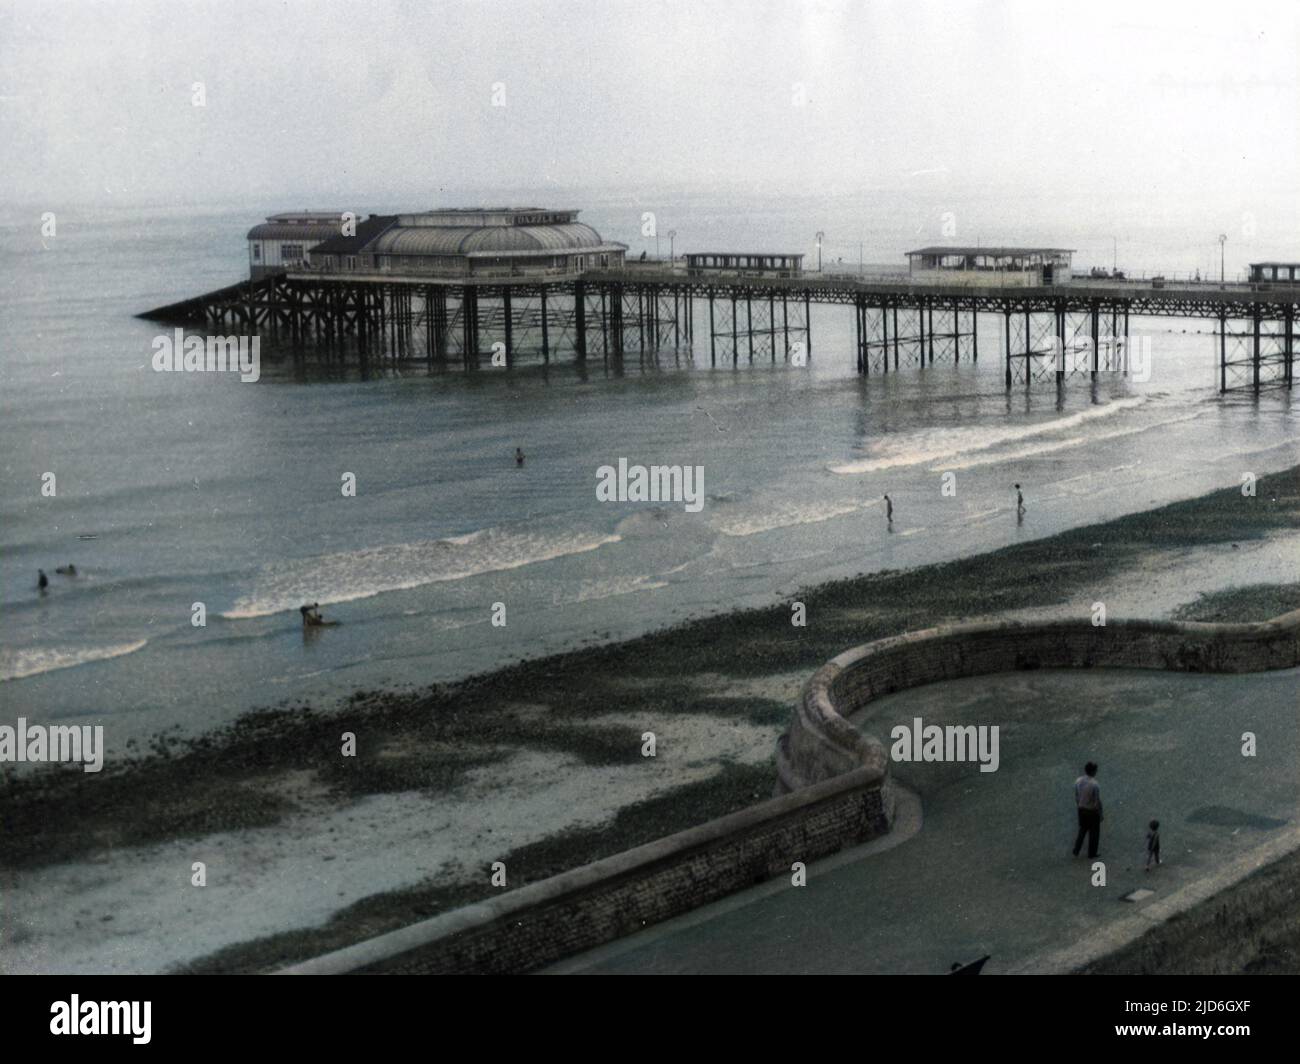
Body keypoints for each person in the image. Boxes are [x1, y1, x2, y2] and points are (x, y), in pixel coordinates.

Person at [1072, 761, 1103, 859]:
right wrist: (1100, 813)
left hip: (1081, 809)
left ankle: (1076, 849)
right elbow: (1096, 801)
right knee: (1094, 832)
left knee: (1082, 829)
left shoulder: (1078, 781)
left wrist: (1079, 804)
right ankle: (1092, 853)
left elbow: (1077, 795)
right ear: (1093, 771)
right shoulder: (1095, 784)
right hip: (1092, 811)